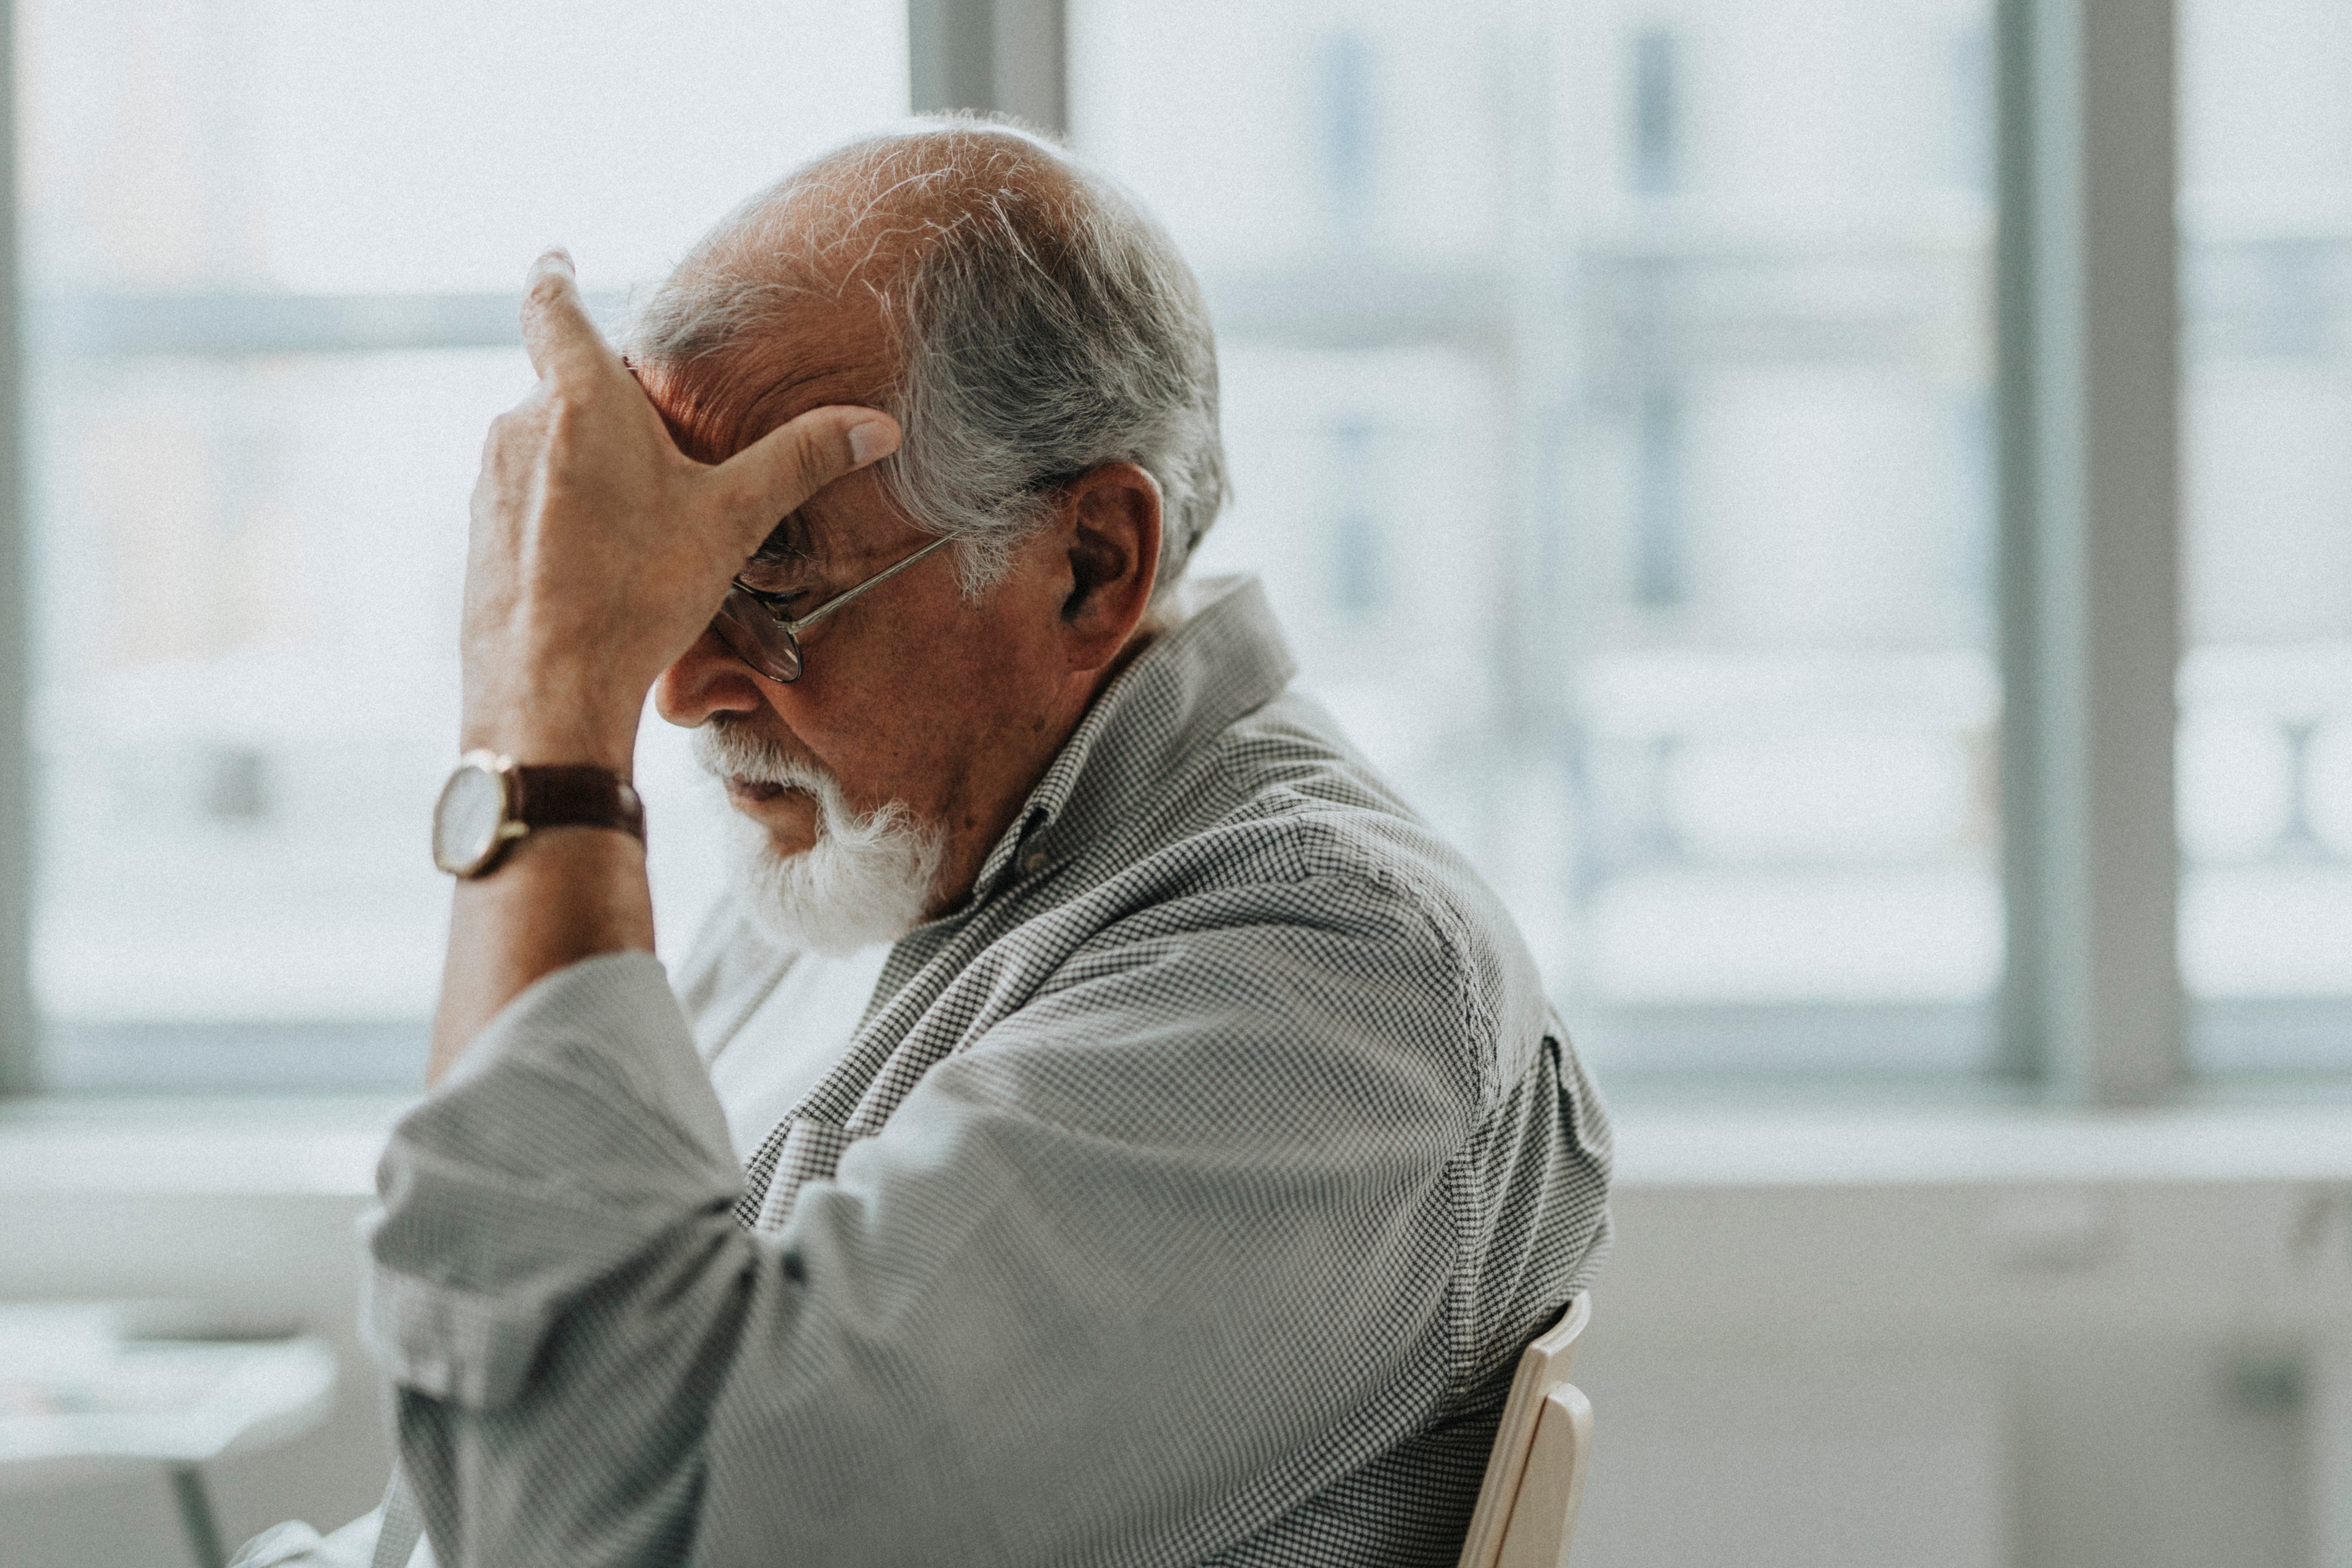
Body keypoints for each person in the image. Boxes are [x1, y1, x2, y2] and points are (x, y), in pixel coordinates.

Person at [234, 118, 1611, 1568]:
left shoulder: (1328, 989)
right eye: (663, 582)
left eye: (769, 573)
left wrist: (542, 727)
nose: (676, 689)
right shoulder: (867, 862)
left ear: (1091, 565)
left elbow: (622, 1526)